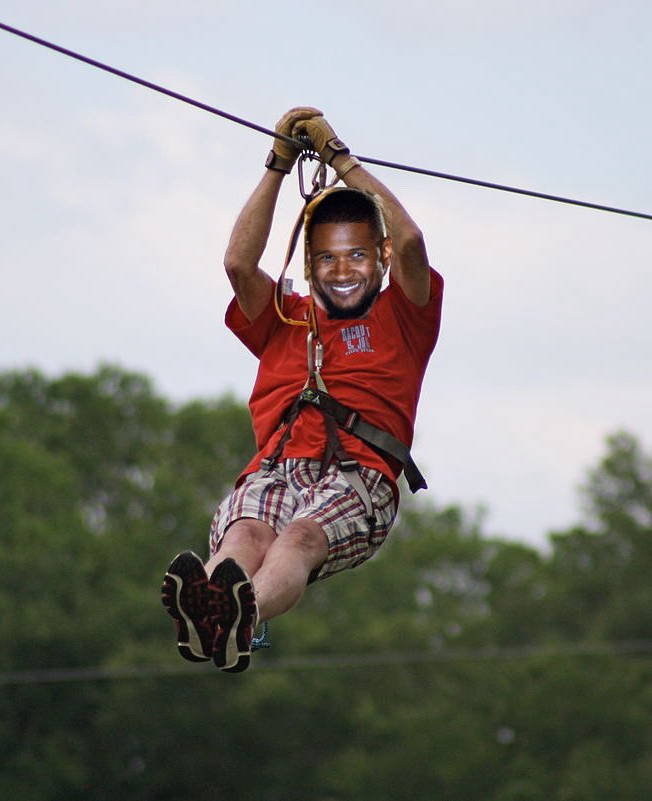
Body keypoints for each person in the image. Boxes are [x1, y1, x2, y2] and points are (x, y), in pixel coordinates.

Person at [161, 106, 444, 673]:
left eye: (358, 255)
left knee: (296, 539)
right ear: (309, 266)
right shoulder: (283, 318)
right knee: (243, 536)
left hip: (357, 476)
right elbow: (239, 264)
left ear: (380, 262)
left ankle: (243, 615)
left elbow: (410, 239)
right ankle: (213, 612)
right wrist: (277, 164)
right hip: (274, 468)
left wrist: (342, 163)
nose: (343, 270)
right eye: (328, 258)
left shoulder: (403, 317)